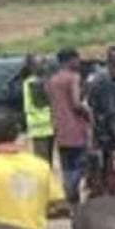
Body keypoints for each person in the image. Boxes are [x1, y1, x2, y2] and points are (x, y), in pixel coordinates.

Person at [46, 48, 94, 203]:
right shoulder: (73, 78)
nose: (79, 62)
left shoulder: (52, 80)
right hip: (76, 127)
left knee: (66, 167)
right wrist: (89, 112)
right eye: (77, 59)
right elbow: (76, 103)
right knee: (81, 164)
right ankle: (69, 193)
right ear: (70, 60)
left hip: (60, 128)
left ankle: (72, 199)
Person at [83, 49, 115, 199]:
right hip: (105, 137)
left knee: (99, 173)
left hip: (96, 134)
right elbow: (112, 115)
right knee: (111, 175)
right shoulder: (106, 83)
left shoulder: (95, 78)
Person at [20, 54, 55, 167]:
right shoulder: (35, 83)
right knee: (43, 161)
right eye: (41, 64)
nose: (44, 66)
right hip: (41, 126)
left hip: (45, 125)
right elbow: (42, 102)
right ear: (33, 67)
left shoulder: (30, 81)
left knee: (46, 160)